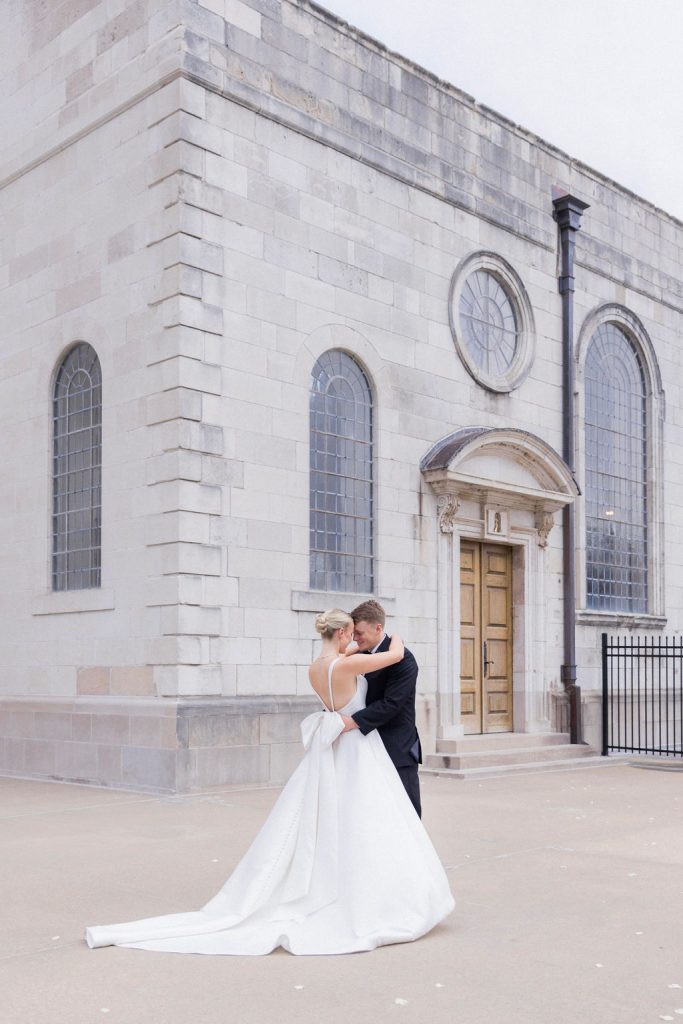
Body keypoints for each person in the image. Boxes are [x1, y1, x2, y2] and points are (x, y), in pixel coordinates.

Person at [84, 609, 454, 955]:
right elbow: (391, 656)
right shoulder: (351, 663)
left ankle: (341, 884)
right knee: (365, 821)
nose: (354, 640)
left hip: (336, 747)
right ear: (342, 632)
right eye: (350, 634)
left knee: (331, 820)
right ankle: (373, 896)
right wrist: (397, 639)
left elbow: (357, 663)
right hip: (355, 744)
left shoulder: (317, 667)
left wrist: (350, 645)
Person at [342, 600, 422, 817]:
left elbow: (392, 703)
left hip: (397, 747)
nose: (356, 639)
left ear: (378, 628)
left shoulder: (403, 658)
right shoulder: (362, 656)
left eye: (359, 633)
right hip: (367, 746)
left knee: (406, 813)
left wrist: (351, 722)